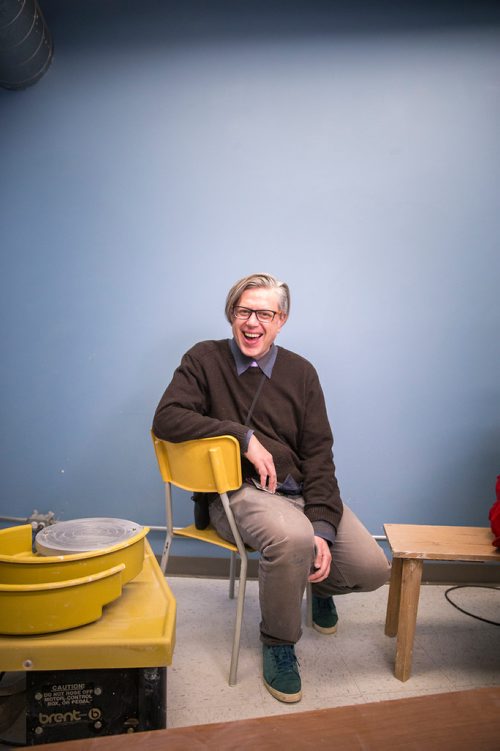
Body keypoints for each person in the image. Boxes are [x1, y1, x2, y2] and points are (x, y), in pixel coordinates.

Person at [153, 272, 390, 703]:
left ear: (281, 320)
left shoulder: (302, 373)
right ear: (231, 314)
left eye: (265, 313)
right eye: (244, 311)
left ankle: (316, 583)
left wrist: (322, 526)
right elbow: (167, 418)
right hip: (236, 493)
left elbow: (319, 454)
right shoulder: (204, 359)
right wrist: (242, 437)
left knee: (373, 568)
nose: (252, 322)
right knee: (291, 537)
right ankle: (279, 643)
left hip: (299, 492)